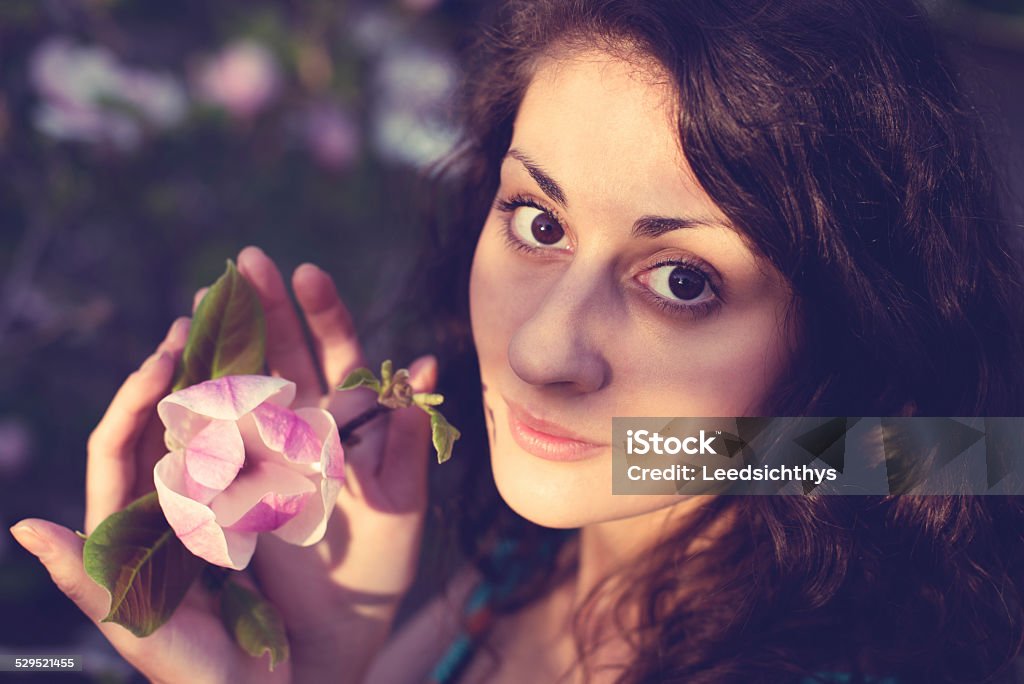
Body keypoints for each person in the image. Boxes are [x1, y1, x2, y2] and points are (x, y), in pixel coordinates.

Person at [9, 0, 1024, 682]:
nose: (542, 351)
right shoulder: (522, 568)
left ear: (846, 322)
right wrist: (327, 648)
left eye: (682, 282)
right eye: (538, 222)